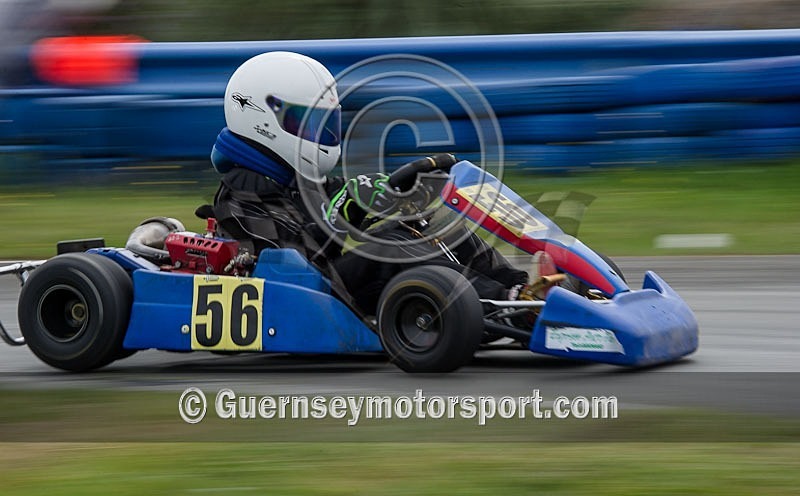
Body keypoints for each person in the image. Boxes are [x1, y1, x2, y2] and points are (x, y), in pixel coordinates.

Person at [206, 51, 531, 315]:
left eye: (325, 123)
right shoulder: (240, 198)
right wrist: (344, 215)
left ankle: (522, 291)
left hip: (333, 290)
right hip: (303, 303)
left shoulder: (298, 180)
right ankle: (503, 303)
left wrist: (400, 196)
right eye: (308, 123)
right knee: (388, 248)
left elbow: (344, 202)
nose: (322, 134)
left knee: (432, 225)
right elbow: (295, 271)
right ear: (263, 121)